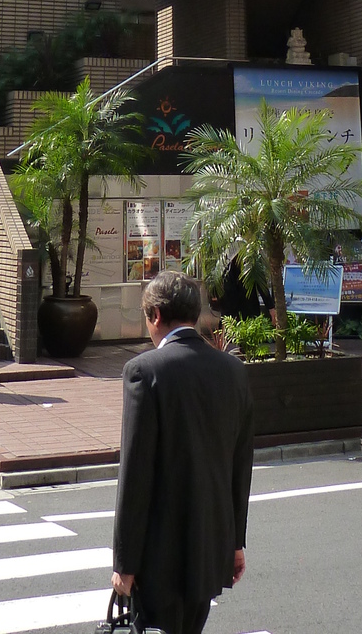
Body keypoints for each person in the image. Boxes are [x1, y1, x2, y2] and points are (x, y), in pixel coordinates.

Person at [112, 272, 254, 634]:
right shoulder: (233, 371)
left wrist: (125, 563)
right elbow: (240, 467)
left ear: (156, 315)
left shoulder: (145, 371)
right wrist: (236, 543)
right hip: (210, 548)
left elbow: (135, 473)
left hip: (160, 558)